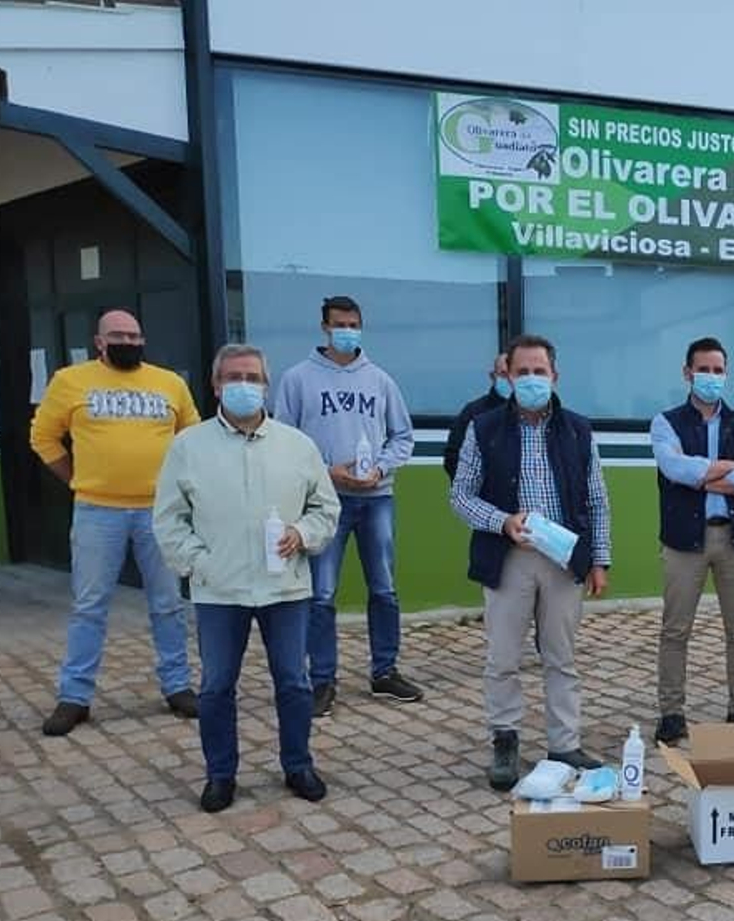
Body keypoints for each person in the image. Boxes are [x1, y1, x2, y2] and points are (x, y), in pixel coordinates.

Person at [153, 344, 341, 813]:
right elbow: (169, 519)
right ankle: (221, 775)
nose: (244, 385)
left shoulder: (297, 446)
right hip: (219, 591)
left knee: (294, 683)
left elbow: (326, 507)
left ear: (265, 384)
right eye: (234, 377)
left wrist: (302, 533)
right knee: (216, 686)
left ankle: (297, 764)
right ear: (216, 386)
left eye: (252, 377)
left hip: (285, 589)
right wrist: (199, 562)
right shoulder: (188, 446)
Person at [450, 334, 611, 790]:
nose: (532, 379)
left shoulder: (579, 429)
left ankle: (564, 743)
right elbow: (460, 495)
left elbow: (598, 500)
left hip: (563, 559)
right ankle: (505, 740)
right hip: (509, 558)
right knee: (502, 656)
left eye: (540, 372)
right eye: (522, 372)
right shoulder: (484, 429)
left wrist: (600, 560)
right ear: (507, 376)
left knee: (562, 657)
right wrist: (502, 521)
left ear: (555, 376)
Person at [29, 308, 200, 736]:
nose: (129, 341)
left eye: (135, 335)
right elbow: (43, 436)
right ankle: (75, 696)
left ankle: (177, 687)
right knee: (89, 607)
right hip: (96, 511)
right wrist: (77, 480)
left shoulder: (168, 383)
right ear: (100, 341)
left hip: (158, 511)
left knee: (168, 604)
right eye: (119, 335)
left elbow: (193, 437)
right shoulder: (71, 381)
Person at [274, 295, 420, 716]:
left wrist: (380, 468)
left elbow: (402, 437)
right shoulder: (298, 379)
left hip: (376, 499)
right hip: (324, 503)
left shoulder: (380, 380)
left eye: (353, 323)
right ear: (324, 327)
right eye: (339, 323)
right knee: (320, 593)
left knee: (384, 588)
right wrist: (325, 471)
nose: (347, 331)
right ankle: (322, 681)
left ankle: (384, 671)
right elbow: (284, 441)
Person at [650, 337, 734, 744]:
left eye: (719, 370)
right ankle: (671, 712)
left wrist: (702, 476)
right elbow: (672, 467)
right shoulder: (666, 422)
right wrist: (722, 471)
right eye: (705, 369)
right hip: (685, 540)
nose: (712, 377)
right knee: (675, 629)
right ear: (688, 373)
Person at [444, 353, 511, 480]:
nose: (509, 379)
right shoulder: (474, 412)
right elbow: (453, 457)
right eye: (503, 374)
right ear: (493, 376)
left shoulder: (537, 412)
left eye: (514, 374)